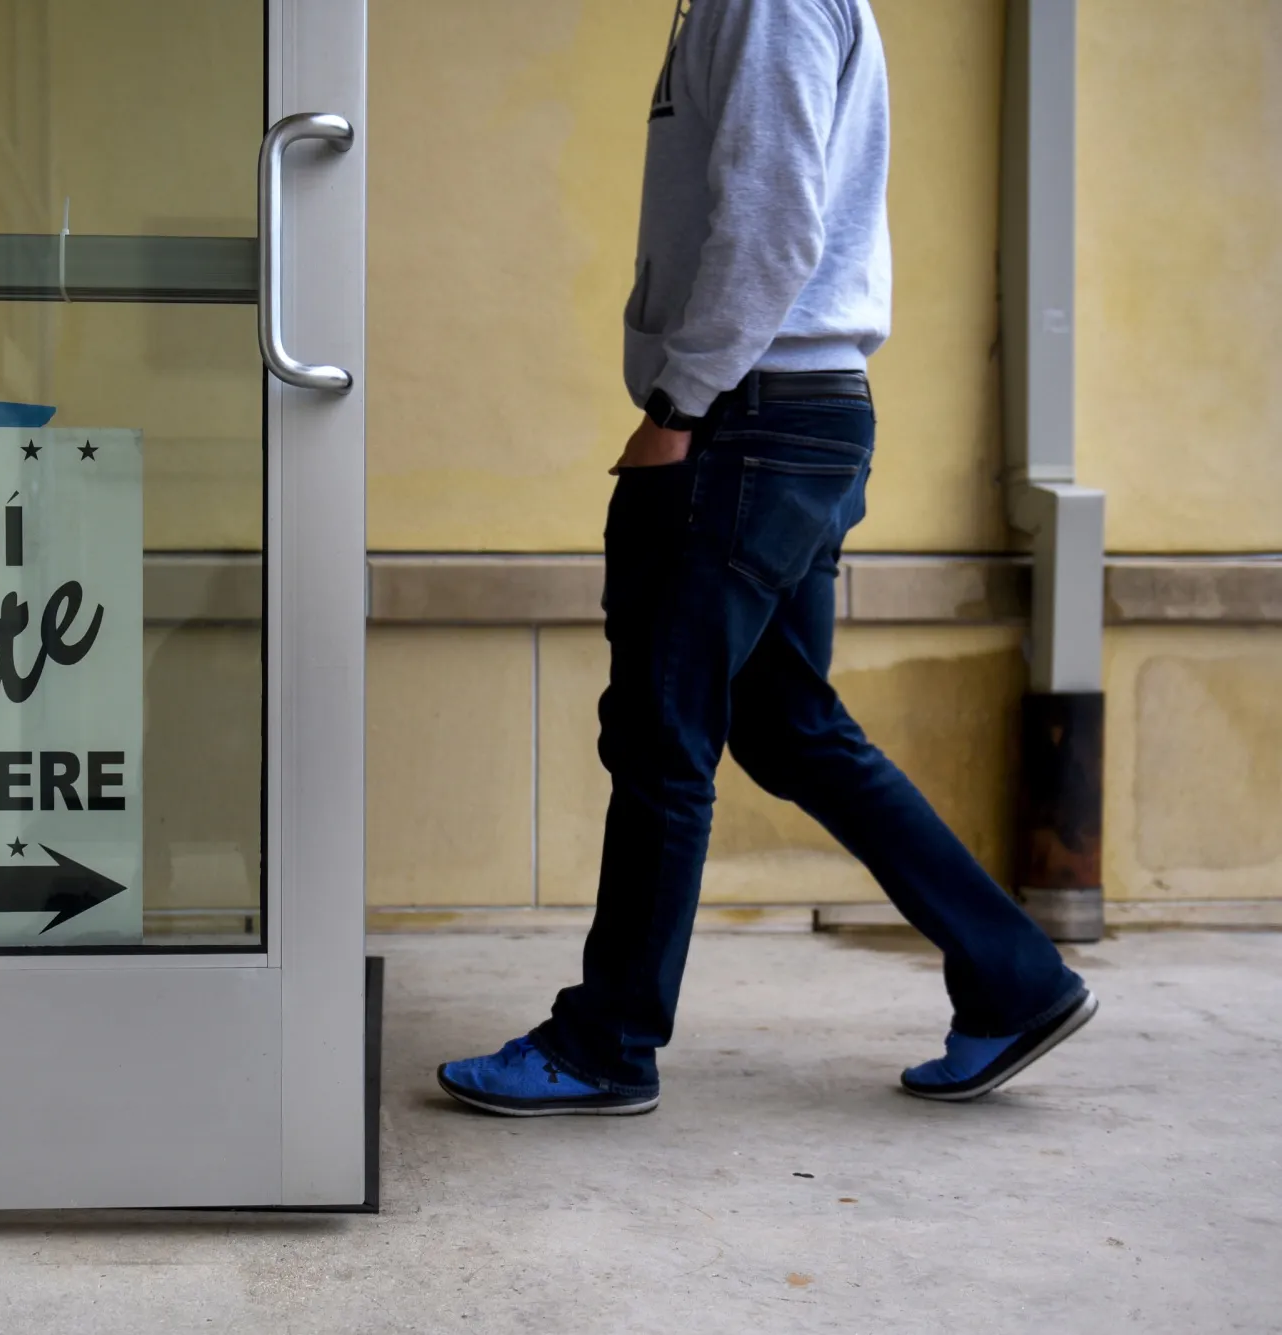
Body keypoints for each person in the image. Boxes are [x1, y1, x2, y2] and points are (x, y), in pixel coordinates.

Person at [437, 0, 1095, 1116]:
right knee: (787, 726)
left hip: (749, 418)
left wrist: (676, 403)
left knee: (661, 732)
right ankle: (1014, 976)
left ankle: (606, 1041)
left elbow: (771, 221)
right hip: (794, 414)